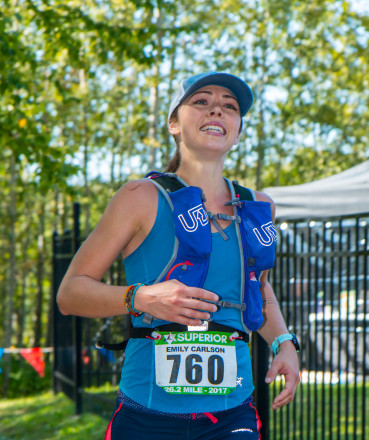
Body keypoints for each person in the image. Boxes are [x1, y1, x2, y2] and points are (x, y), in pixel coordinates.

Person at [57, 71, 300, 440]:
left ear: (238, 129)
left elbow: (259, 291)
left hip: (232, 413)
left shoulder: (258, 206)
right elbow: (70, 293)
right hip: (146, 413)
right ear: (174, 123)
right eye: (201, 101)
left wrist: (284, 342)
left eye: (229, 107)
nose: (217, 110)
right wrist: (141, 297)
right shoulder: (140, 196)